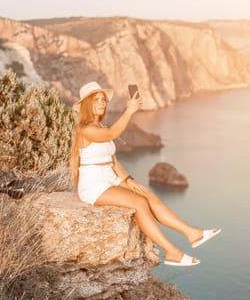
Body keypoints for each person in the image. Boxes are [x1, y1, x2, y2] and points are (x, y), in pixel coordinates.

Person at [70, 81, 221, 267]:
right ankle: (172, 252)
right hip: (94, 184)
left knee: (146, 194)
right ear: (86, 104)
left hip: (109, 177)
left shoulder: (99, 127)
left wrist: (128, 179)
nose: (102, 103)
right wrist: (129, 110)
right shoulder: (86, 129)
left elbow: (112, 159)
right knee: (139, 203)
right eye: (96, 100)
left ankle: (192, 233)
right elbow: (112, 134)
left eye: (103, 99)